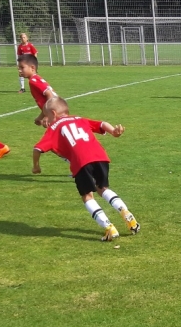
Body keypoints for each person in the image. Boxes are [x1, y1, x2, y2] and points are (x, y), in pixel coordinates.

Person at [33, 97, 140, 241]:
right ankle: (126, 213)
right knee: (103, 189)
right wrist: (114, 131)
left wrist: (36, 166)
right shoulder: (79, 119)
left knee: (87, 196)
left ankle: (109, 228)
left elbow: (37, 149)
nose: (48, 120)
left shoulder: (54, 127)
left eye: (48, 116)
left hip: (81, 162)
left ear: (54, 113)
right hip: (100, 156)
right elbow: (102, 124)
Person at [17, 54, 57, 124]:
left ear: (32, 68)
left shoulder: (33, 81)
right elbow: (46, 102)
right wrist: (40, 118)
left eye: (22, 67)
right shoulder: (36, 79)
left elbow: (50, 95)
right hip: (56, 110)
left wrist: (48, 115)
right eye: (19, 68)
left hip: (55, 113)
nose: (20, 70)